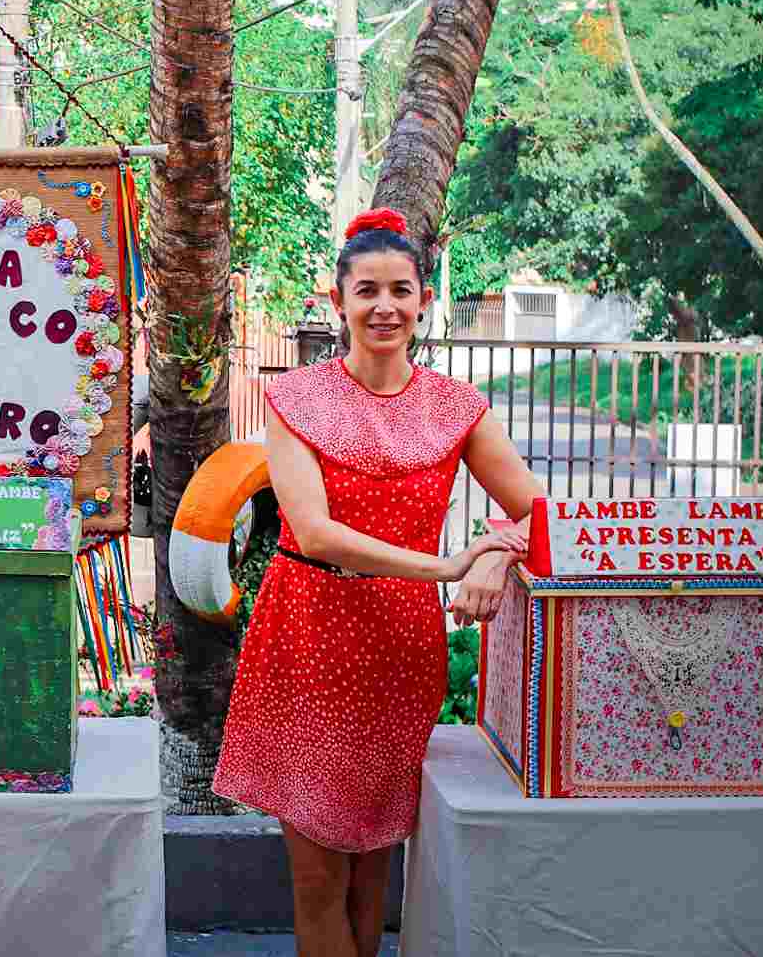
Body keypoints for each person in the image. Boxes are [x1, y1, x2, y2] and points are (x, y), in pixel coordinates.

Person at [212, 210, 540, 957]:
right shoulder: (296, 399)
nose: (384, 306)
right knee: (318, 880)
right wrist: (449, 566)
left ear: (425, 299)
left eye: (400, 290)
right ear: (339, 302)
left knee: (371, 872)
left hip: (399, 654)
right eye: (367, 291)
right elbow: (316, 533)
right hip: (307, 640)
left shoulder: (459, 408)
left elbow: (542, 515)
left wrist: (496, 555)